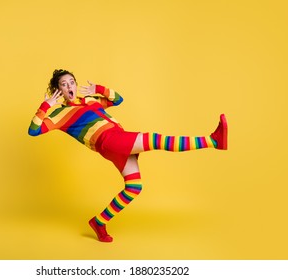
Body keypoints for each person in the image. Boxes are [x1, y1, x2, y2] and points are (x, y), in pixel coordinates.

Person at [28, 69, 228, 242]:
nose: (69, 86)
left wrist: (99, 89)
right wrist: (46, 106)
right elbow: (34, 130)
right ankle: (213, 141)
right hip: (108, 140)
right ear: (58, 91)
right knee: (155, 139)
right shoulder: (58, 115)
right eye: (64, 84)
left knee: (133, 187)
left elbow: (118, 99)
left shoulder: (89, 100)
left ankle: (99, 222)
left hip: (116, 140)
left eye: (72, 82)